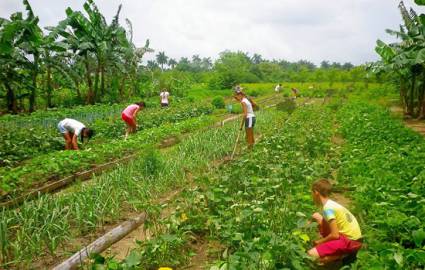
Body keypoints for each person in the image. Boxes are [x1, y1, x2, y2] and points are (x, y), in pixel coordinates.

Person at [308, 179, 362, 264]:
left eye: (311, 193)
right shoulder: (330, 204)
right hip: (354, 237)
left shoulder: (328, 209)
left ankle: (342, 255)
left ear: (316, 192)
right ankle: (337, 251)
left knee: (310, 255)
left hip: (350, 242)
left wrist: (319, 242)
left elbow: (335, 235)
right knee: (316, 216)